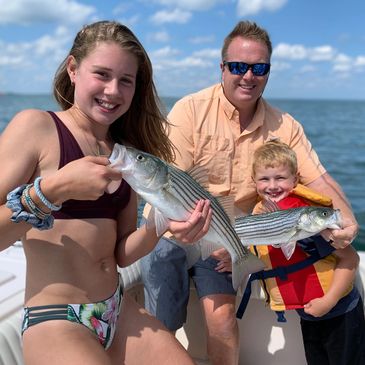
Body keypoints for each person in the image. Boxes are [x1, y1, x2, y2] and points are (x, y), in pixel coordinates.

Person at [140, 20, 359, 365]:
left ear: (268, 71)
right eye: (239, 66)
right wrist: (176, 228)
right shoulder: (190, 110)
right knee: (161, 322)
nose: (248, 76)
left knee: (224, 323)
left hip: (230, 234)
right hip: (174, 225)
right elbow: (169, 182)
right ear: (222, 67)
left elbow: (319, 179)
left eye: (259, 68)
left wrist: (346, 219)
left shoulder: (285, 125)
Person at [0, 20, 213, 365]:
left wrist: (162, 226)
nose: (113, 90)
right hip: (58, 319)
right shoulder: (36, 127)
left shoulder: (124, 154)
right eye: (102, 74)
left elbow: (122, 254)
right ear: (72, 69)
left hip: (116, 309)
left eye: (125, 80)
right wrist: (52, 191)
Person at [248, 140, 364, 365]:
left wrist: (329, 300)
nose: (272, 185)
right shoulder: (262, 218)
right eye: (264, 179)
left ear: (295, 179)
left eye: (280, 178)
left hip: (340, 311)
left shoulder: (311, 221)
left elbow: (351, 259)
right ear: (254, 183)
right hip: (308, 313)